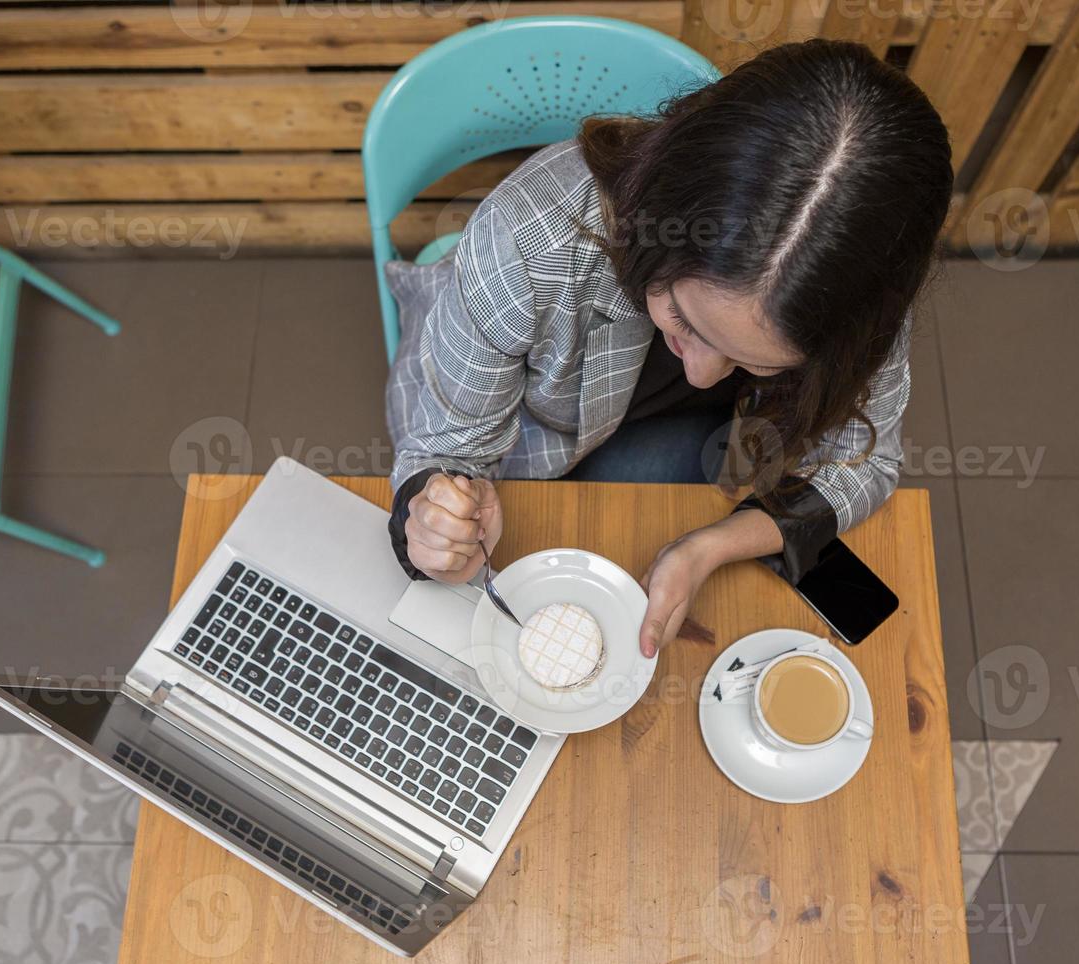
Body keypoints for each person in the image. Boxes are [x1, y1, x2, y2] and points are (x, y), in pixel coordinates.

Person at [383, 39, 953, 658]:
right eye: (683, 319)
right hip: (524, 425)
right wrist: (433, 510)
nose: (707, 375)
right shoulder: (528, 242)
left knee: (649, 545)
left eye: (754, 361)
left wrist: (711, 545)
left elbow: (863, 462)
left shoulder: (851, 287)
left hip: (660, 425)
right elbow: (445, 441)